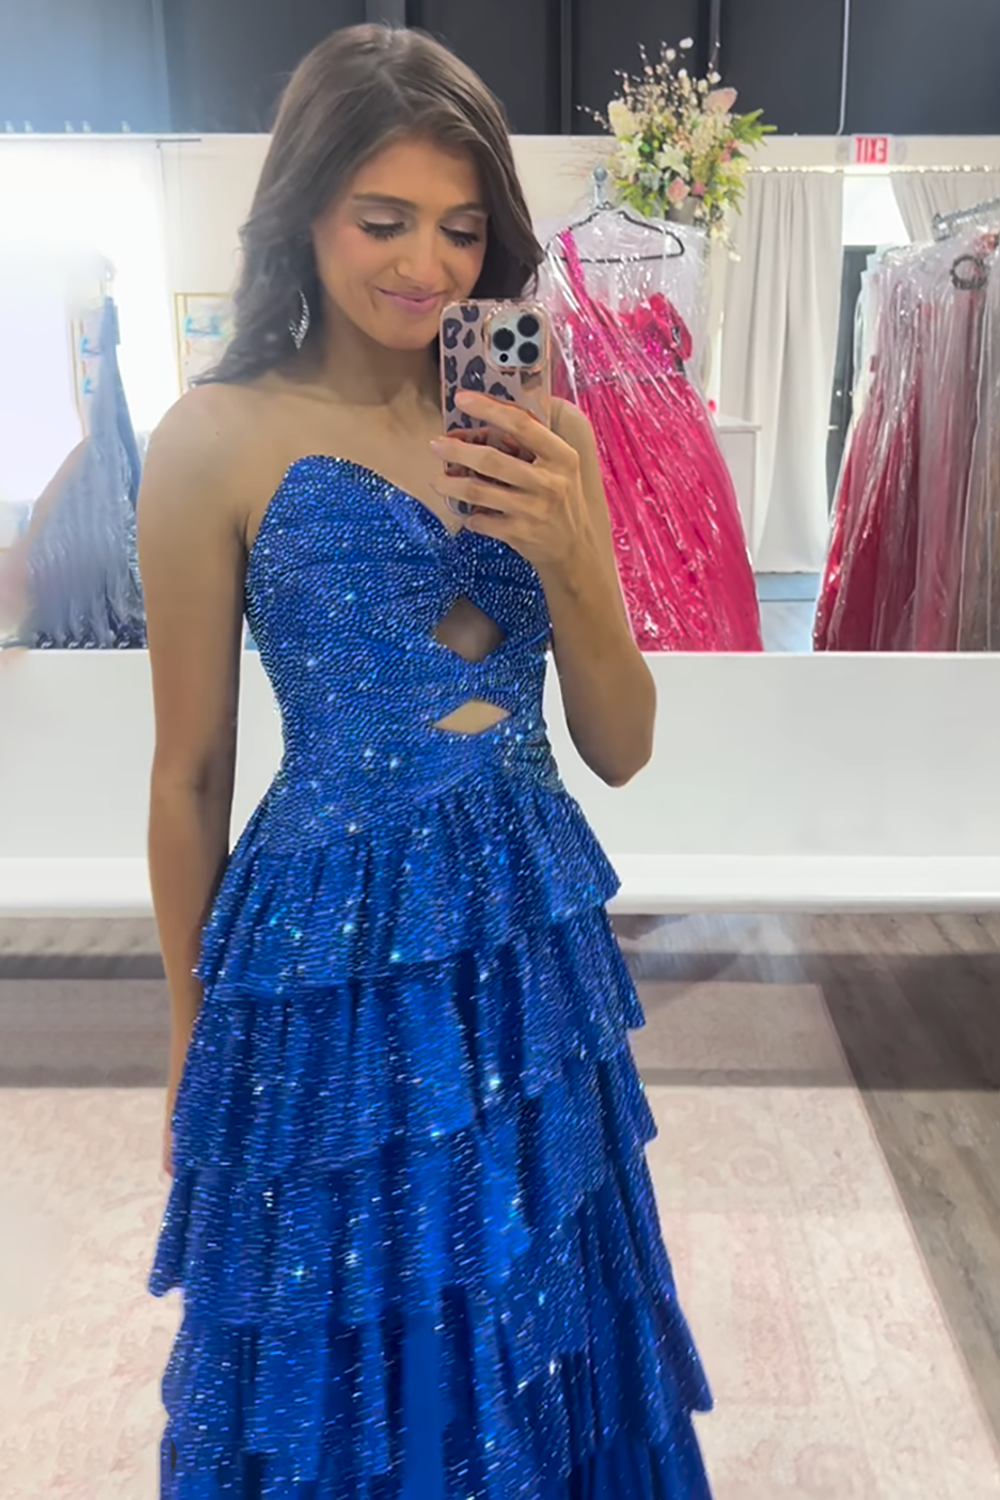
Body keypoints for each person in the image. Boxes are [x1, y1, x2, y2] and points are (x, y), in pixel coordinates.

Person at [140, 23, 712, 1498]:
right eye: (382, 219)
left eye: (462, 228)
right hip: (323, 953)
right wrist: (194, 1036)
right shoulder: (213, 439)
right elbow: (189, 772)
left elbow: (623, 749)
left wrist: (571, 550)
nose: (428, 267)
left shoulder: (544, 431)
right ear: (304, 212)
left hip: (527, 940)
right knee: (346, 1315)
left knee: (539, 1294)